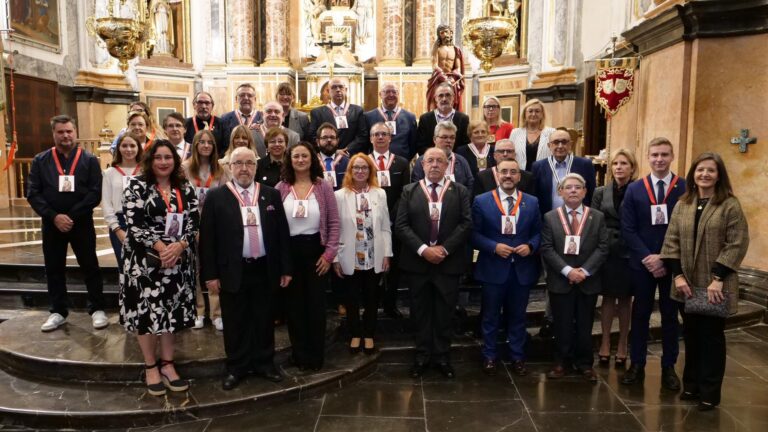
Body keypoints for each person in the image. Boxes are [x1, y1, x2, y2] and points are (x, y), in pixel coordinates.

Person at [660, 152, 749, 411]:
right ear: (693, 174)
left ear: (719, 175)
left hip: (715, 285)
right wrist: (678, 276)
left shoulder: (730, 204)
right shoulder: (684, 203)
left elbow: (737, 243)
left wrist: (718, 278)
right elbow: (671, 241)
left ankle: (709, 392)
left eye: (711, 170)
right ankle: (692, 385)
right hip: (686, 283)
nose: (705, 174)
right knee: (691, 335)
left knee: (711, 337)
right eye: (700, 170)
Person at [200, 147, 293, 390]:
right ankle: (236, 367)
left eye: (249, 163)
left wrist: (285, 268)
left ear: (256, 166)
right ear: (230, 167)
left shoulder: (271, 194)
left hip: (264, 268)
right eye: (238, 163)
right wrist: (210, 275)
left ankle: (265, 363)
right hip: (232, 270)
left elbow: (282, 235)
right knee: (235, 322)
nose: (244, 168)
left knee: (264, 319)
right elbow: (208, 240)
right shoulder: (216, 197)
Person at [120, 139, 198, 396]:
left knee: (170, 312)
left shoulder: (184, 187)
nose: (163, 162)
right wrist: (162, 247)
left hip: (177, 261)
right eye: (158, 157)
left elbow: (194, 221)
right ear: (149, 160)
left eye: (168, 157)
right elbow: (134, 224)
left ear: (175, 160)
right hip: (144, 261)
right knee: (147, 313)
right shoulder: (136, 185)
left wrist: (180, 245)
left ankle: (167, 364)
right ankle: (150, 365)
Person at [396, 147, 472, 379]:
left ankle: (442, 357)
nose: (435, 164)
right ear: (422, 165)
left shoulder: (460, 191)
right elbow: (401, 226)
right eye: (430, 160)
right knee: (420, 312)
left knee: (444, 312)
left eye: (440, 160)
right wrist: (423, 250)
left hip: (448, 263)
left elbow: (466, 224)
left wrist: (444, 249)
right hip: (417, 263)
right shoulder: (409, 191)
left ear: (447, 165)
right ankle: (421, 356)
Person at [28, 115, 107, 332]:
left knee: (90, 266)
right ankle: (58, 311)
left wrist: (71, 216)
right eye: (61, 132)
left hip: (81, 222)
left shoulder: (89, 160)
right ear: (53, 133)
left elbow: (95, 193)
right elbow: (33, 193)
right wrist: (54, 216)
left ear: (75, 132)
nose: (66, 135)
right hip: (52, 224)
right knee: (54, 267)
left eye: (69, 131)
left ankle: (97, 308)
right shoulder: (40, 160)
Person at [621, 137, 686, 390]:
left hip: (673, 264)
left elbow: (685, 229)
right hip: (642, 264)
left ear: (672, 157)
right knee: (640, 314)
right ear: (647, 157)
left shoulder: (685, 188)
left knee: (670, 316)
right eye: (655, 155)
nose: (659, 159)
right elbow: (628, 228)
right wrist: (648, 257)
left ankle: (669, 367)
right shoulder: (635, 189)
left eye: (664, 154)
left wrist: (665, 257)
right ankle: (637, 364)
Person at [471, 159, 541, 376]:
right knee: (490, 316)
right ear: (497, 175)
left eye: (513, 172)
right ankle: (489, 356)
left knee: (518, 317)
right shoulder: (481, 201)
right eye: (504, 172)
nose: (508, 176)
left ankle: (517, 357)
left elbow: (539, 233)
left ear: (519, 176)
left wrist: (530, 246)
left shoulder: (532, 202)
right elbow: (473, 234)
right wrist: (493, 247)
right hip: (493, 269)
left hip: (521, 270)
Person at [275, 142, 340, 371]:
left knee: (315, 306)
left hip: (316, 252)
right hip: (290, 252)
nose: (301, 160)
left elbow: (334, 222)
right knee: (294, 308)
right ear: (289, 160)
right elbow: (274, 225)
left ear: (312, 159)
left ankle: (315, 356)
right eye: (296, 156)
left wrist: (329, 254)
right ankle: (299, 355)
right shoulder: (281, 187)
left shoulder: (323, 186)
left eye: (305, 156)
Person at [541, 173, 608, 383]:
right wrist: (568, 271)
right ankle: (561, 362)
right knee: (561, 323)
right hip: (561, 280)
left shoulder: (597, 216)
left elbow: (603, 247)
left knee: (585, 324)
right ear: (560, 192)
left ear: (585, 192)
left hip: (588, 280)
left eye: (578, 187)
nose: (573, 190)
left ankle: (585, 364)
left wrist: (584, 271)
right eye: (568, 187)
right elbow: (547, 248)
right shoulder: (550, 217)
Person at [333, 154, 392, 355]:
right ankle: (355, 333)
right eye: (356, 168)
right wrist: (335, 258)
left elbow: (385, 227)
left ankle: (369, 334)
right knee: (351, 299)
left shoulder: (379, 194)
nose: (360, 171)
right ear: (350, 171)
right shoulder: (340, 195)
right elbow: (335, 229)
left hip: (374, 255)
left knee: (371, 298)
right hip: (349, 255)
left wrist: (387, 254)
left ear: (370, 171)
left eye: (364, 167)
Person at [593, 149, 637, 367]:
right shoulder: (600, 192)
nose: (619, 167)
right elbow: (594, 221)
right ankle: (604, 342)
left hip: (629, 251)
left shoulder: (638, 190)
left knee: (625, 300)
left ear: (632, 168)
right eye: (616, 163)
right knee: (608, 298)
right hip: (607, 251)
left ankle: (622, 344)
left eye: (624, 163)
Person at [183, 129, 231, 331]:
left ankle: (217, 313)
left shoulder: (221, 169)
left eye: (209, 142)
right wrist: (193, 228)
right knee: (194, 269)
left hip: (215, 224)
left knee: (214, 268)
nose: (205, 145)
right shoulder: (184, 168)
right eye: (201, 142)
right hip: (190, 224)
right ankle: (198, 311)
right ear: (195, 145)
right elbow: (180, 198)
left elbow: (228, 196)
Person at [368, 122, 411, 318]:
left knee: (393, 264)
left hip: (395, 222)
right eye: (376, 134)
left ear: (390, 138)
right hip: (370, 221)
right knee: (371, 264)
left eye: (384, 134)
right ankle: (371, 303)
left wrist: (391, 217)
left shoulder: (401, 163)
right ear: (371, 138)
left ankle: (390, 304)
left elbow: (405, 193)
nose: (380, 137)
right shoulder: (363, 162)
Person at [102, 134, 143, 272]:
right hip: (120, 222)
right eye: (124, 145)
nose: (128, 149)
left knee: (142, 266)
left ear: (138, 148)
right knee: (125, 266)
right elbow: (107, 204)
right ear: (118, 148)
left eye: (132, 145)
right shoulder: (109, 173)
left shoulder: (145, 171)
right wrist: (117, 228)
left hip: (143, 221)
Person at [532, 128, 596, 214]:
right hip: (548, 218)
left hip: (578, 217)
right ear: (549, 145)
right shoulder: (538, 166)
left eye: (564, 142)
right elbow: (535, 196)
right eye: (556, 142)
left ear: (570, 145)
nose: (560, 146)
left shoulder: (585, 165)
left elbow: (592, 194)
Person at [308, 77, 369, 154]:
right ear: (328, 91)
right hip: (327, 155)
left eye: (341, 87)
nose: (338, 90)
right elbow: (312, 136)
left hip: (351, 155)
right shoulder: (317, 113)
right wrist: (333, 151)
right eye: (334, 87)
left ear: (345, 90)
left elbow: (362, 135)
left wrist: (347, 150)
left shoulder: (357, 111)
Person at [412, 121, 474, 191]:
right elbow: (416, 187)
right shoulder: (423, 160)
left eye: (452, 137)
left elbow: (470, 184)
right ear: (434, 139)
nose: (449, 141)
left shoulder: (462, 161)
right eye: (444, 137)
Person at [364, 83, 418, 159]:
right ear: (380, 94)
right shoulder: (368, 117)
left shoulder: (409, 117)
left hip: (402, 163)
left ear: (398, 94)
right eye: (387, 92)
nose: (391, 95)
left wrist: (404, 160)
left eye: (394, 92)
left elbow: (413, 144)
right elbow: (364, 143)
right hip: (376, 162)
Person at [416, 82, 470, 155]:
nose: (444, 99)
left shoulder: (463, 119)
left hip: (456, 160)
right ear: (435, 98)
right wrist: (437, 156)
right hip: (432, 160)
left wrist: (452, 158)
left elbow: (466, 145)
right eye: (440, 96)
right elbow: (420, 146)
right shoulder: (425, 119)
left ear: (453, 97)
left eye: (448, 95)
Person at [426, 24, 465, 112]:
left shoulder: (456, 49)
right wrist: (444, 78)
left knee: (453, 100)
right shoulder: (436, 48)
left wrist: (454, 77)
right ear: (439, 35)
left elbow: (457, 67)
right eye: (442, 33)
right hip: (438, 78)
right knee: (435, 100)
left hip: (452, 78)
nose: (444, 34)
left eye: (446, 32)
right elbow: (435, 65)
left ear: (451, 33)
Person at [509, 99, 556, 171]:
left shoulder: (551, 132)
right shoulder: (515, 133)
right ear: (525, 114)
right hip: (521, 174)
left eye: (537, 111)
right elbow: (510, 154)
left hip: (543, 173)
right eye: (530, 111)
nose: (533, 114)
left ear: (542, 114)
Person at [221, 84, 264, 157]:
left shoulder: (263, 118)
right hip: (233, 160)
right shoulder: (225, 119)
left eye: (249, 95)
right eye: (242, 95)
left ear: (255, 99)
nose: (246, 98)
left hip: (258, 160)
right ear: (236, 99)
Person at [185, 91, 227, 157]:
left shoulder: (222, 124)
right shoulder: (185, 124)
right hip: (191, 161)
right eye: (200, 102)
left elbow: (226, 147)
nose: (203, 106)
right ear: (194, 105)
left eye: (207, 103)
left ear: (212, 106)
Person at [316, 123, 349, 190]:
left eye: (332, 137)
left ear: (337, 141)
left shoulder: (347, 162)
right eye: (325, 137)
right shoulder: (311, 163)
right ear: (317, 142)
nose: (329, 140)